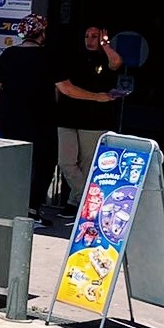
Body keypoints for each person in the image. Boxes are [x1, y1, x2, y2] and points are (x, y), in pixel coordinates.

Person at [0, 14, 60, 223]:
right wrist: (99, 97)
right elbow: (64, 87)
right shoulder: (48, 56)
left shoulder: (9, 54)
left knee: (14, 163)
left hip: (10, 117)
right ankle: (31, 209)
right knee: (44, 163)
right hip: (41, 119)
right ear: (41, 33)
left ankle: (9, 207)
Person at [55, 24, 125, 203]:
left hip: (95, 118)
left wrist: (105, 46)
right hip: (68, 115)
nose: (90, 40)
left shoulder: (105, 58)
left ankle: (76, 203)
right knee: (66, 162)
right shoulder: (73, 57)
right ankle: (90, 196)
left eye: (94, 36)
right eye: (87, 36)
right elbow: (63, 86)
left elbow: (116, 63)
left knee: (87, 163)